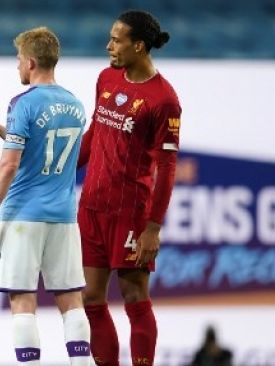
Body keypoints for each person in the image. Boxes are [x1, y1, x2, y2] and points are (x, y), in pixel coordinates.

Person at [0, 27, 92, 366]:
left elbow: (9, 165)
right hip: (63, 216)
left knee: (22, 300)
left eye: (17, 60)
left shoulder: (23, 103)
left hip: (24, 214)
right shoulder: (74, 103)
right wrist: (0, 128)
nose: (17, 67)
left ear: (30, 62)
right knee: (71, 299)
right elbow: (45, 146)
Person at [77, 10, 182, 366]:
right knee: (91, 297)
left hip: (130, 212)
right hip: (91, 205)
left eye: (116, 40)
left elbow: (167, 167)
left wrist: (153, 226)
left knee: (133, 294)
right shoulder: (106, 78)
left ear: (138, 45)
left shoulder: (164, 100)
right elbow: (95, 133)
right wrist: (60, 169)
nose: (108, 46)